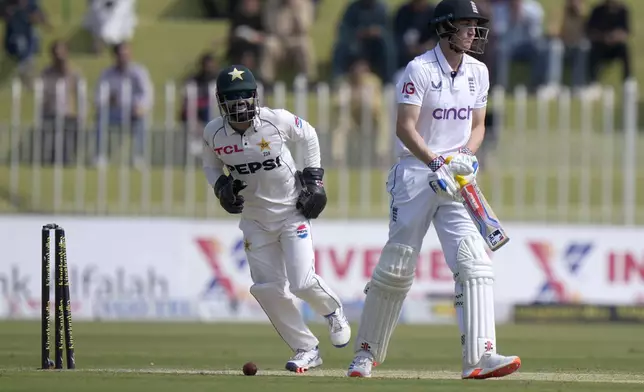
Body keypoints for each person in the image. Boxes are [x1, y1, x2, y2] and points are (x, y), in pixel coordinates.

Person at [346, 0, 521, 379]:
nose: (473, 32)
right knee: (397, 266)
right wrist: (434, 162)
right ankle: (365, 353)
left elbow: (478, 127)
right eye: (465, 25)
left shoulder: (479, 71)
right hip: (415, 172)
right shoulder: (419, 69)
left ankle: (479, 357)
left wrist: (466, 158)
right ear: (444, 28)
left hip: (455, 176)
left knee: (474, 262)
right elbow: (405, 127)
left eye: (476, 25)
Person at [202, 65, 351, 373]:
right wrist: (221, 188)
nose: (239, 104)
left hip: (291, 212)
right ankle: (306, 348)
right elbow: (210, 166)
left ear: (255, 97)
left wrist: (314, 181)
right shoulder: (213, 132)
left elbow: (308, 135)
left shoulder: (276, 119)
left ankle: (333, 311)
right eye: (232, 99)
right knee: (267, 288)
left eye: (245, 97)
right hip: (254, 220)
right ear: (221, 102)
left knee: (302, 282)